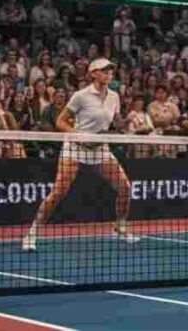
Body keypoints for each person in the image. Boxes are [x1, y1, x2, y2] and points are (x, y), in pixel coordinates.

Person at [22, 59, 137, 251]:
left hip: (99, 148)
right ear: (93, 73)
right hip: (75, 147)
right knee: (58, 192)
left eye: (111, 71)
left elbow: (116, 123)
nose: (109, 74)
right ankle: (32, 233)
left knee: (125, 187)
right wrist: (78, 135)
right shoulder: (80, 96)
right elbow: (61, 121)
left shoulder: (114, 97)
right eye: (105, 70)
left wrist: (127, 122)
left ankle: (120, 226)